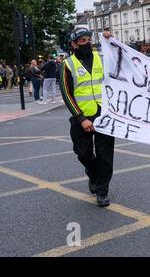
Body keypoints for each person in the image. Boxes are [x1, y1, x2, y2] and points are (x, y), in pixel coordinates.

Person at [60, 28, 114, 207]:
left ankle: (102, 190)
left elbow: (120, 58)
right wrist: (81, 118)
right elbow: (67, 94)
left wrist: (110, 40)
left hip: (104, 114)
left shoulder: (102, 58)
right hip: (81, 117)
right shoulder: (68, 64)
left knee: (105, 156)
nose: (87, 43)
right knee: (83, 153)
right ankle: (93, 174)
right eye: (82, 41)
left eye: (88, 39)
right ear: (74, 44)